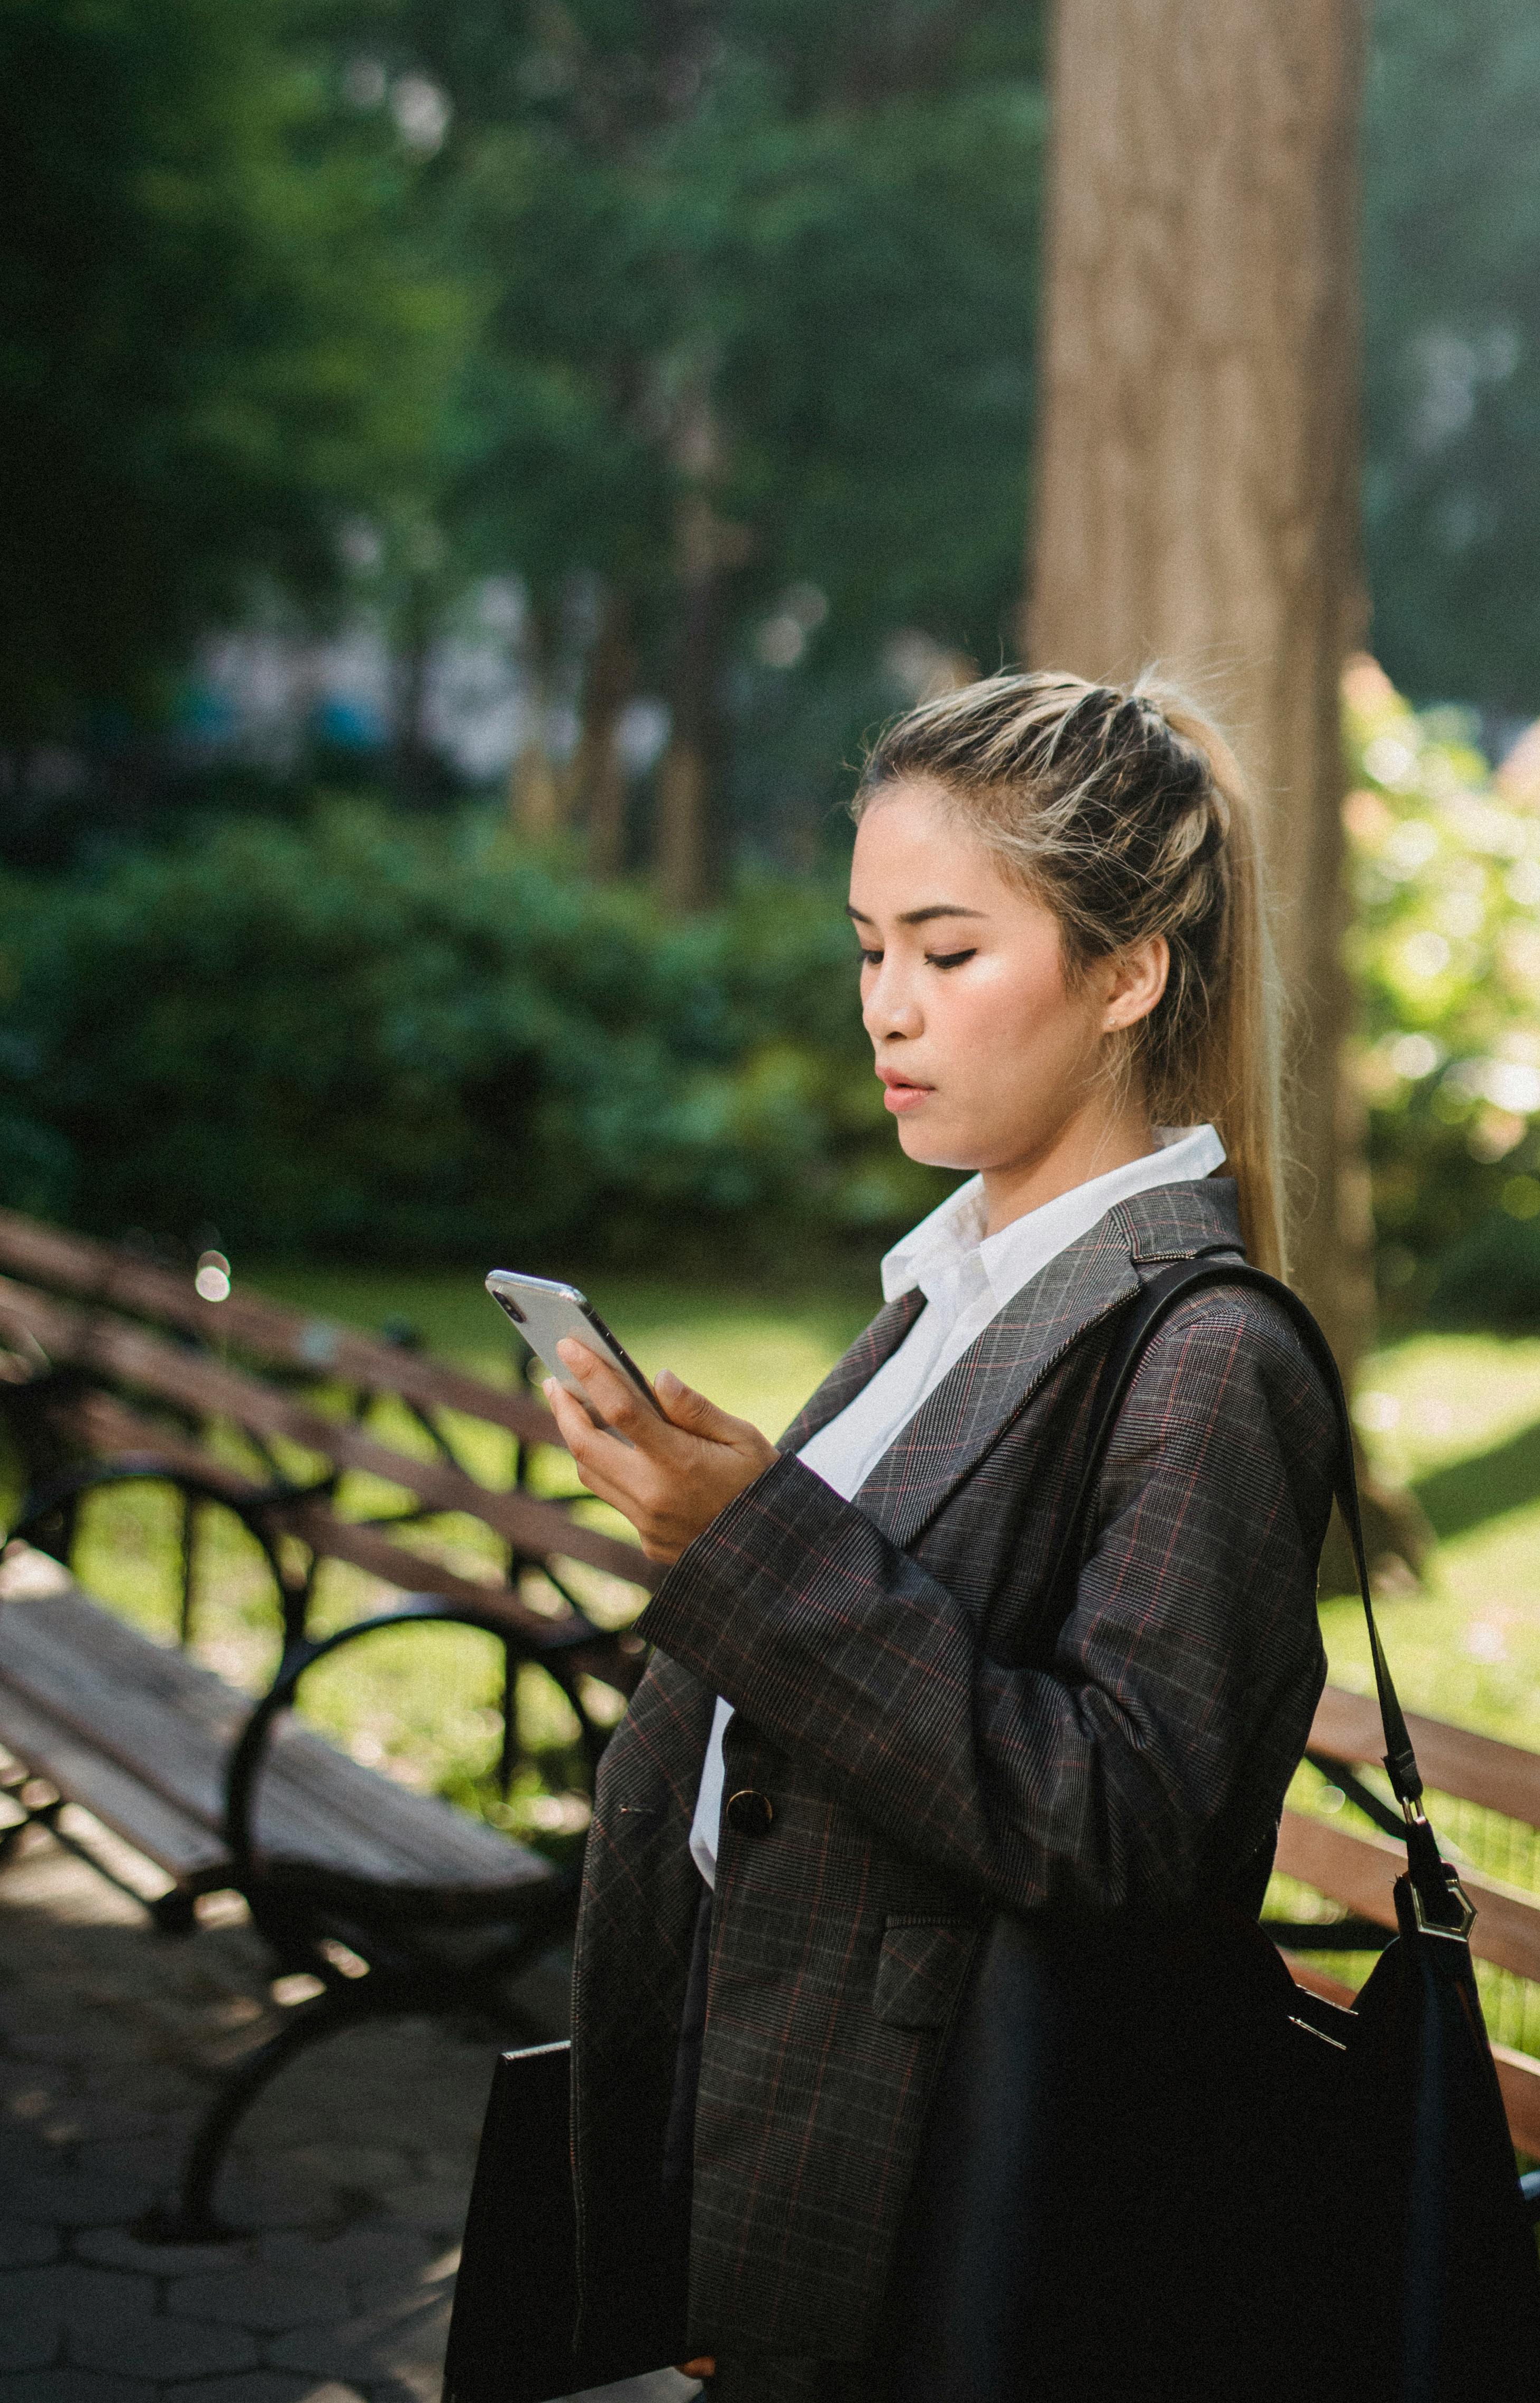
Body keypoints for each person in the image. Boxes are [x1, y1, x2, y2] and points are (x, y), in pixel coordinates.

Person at [542, 671, 1342, 2403]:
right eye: (866, 948)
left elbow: (1124, 1831)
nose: (886, 1010)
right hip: (762, 2128)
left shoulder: (1204, 1355)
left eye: (948, 953)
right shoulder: (950, 1288)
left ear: (1128, 974)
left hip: (952, 2212)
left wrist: (745, 1544)